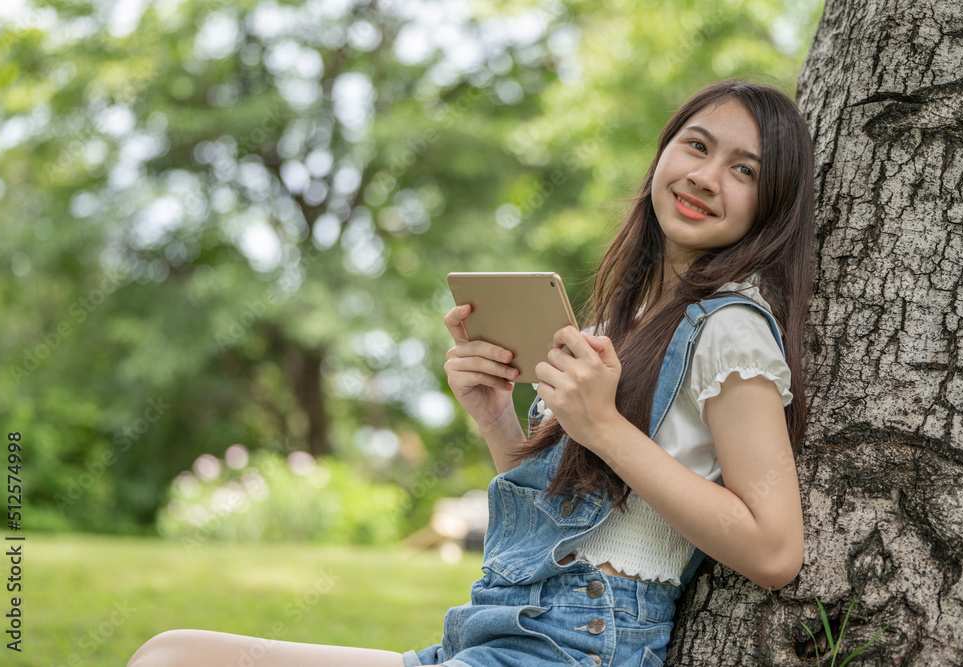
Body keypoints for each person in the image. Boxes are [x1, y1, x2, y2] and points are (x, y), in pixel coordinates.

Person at [127, 78, 815, 667]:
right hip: (494, 626)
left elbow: (776, 548)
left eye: (743, 169)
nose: (704, 175)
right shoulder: (615, 329)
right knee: (171, 653)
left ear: (770, 203)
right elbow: (569, 512)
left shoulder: (730, 330)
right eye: (696, 145)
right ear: (663, 153)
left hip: (579, 644)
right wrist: (495, 414)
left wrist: (602, 425)